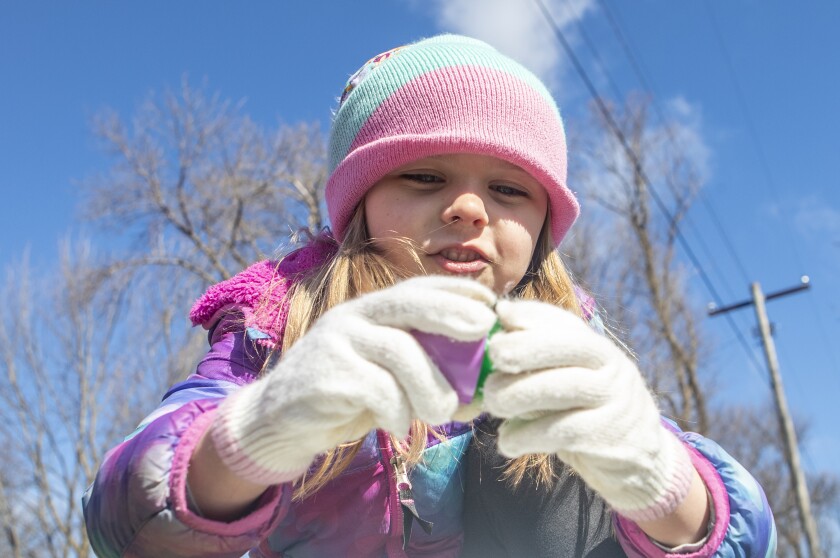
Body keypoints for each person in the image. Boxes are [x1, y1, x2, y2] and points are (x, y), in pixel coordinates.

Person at [83, 34, 776, 557]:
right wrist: (253, 436)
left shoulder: (572, 341)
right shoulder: (280, 317)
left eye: (508, 189)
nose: (469, 207)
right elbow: (119, 517)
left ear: (542, 227)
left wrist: (660, 479)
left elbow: (746, 535)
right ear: (360, 204)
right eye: (423, 177)